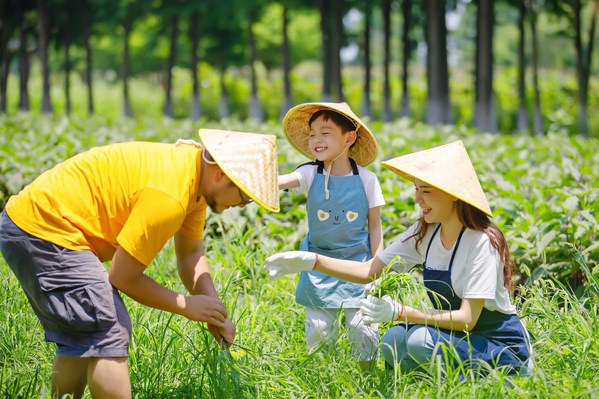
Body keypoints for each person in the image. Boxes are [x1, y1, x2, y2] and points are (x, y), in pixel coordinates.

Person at [0, 129, 279, 399]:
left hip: (38, 225)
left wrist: (213, 309)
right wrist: (185, 305)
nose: (241, 206)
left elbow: (190, 253)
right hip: (44, 230)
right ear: (221, 175)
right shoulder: (170, 195)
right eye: (243, 198)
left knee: (86, 331)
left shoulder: (193, 180)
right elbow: (122, 277)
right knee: (109, 327)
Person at [265, 140, 533, 376]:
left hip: (496, 342)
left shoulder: (481, 243)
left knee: (417, 341)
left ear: (453, 195)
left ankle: (506, 374)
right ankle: (429, 383)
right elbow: (370, 271)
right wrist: (312, 261)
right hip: (458, 337)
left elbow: (466, 319)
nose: (418, 199)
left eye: (426, 191)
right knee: (392, 341)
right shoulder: (425, 231)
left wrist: (402, 312)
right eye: (417, 189)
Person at [277, 102, 385, 370]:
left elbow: (375, 227)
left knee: (363, 330)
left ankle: (367, 380)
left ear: (349, 138)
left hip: (358, 265)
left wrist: (378, 269)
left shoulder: (368, 180)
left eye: (325, 132)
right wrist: (249, 177)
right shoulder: (309, 173)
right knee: (319, 332)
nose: (316, 139)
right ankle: (324, 381)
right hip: (317, 265)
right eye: (312, 134)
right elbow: (280, 182)